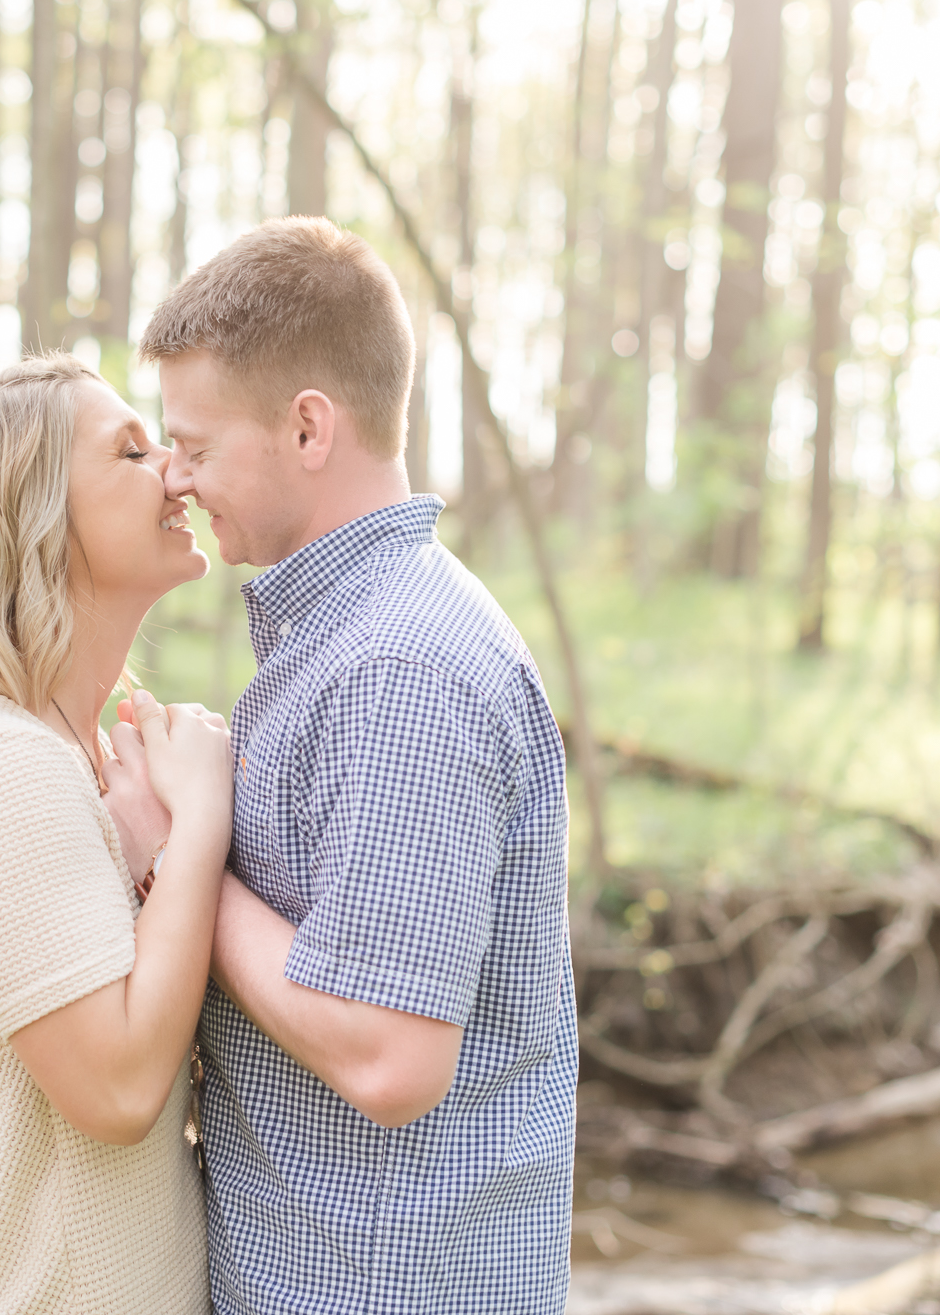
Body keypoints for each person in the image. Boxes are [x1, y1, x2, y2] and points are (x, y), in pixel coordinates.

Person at [139, 217, 579, 1314]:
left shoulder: (399, 668)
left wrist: (179, 855)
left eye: (194, 445)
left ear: (306, 427)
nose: (176, 478)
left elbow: (392, 1057)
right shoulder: (347, 640)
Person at [0, 354, 230, 1314]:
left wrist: (150, 864)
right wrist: (201, 825)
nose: (176, 470)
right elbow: (115, 1088)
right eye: (130, 452)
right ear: (32, 517)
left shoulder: (53, 758)